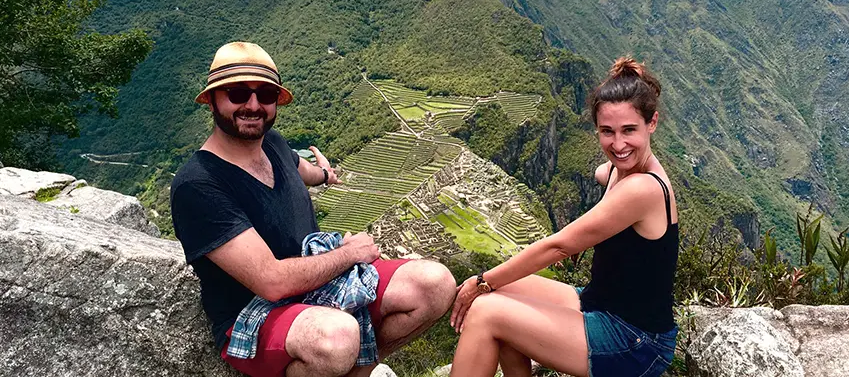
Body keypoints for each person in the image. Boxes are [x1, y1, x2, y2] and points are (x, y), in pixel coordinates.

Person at [170, 42, 456, 377]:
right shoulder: (199, 184)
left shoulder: (272, 142)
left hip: (318, 284)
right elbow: (271, 282)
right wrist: (350, 254)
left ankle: (356, 371)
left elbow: (299, 170)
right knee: (336, 338)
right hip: (254, 312)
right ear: (212, 99)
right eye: (237, 94)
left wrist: (324, 175)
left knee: (435, 284)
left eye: (265, 95)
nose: (253, 105)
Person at [448, 57, 679, 377]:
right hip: (599, 303)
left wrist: (480, 282)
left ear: (652, 123)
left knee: (487, 307)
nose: (619, 144)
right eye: (607, 132)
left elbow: (558, 247)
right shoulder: (618, 170)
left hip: (634, 339)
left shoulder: (643, 188)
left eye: (630, 130)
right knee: (504, 291)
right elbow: (603, 173)